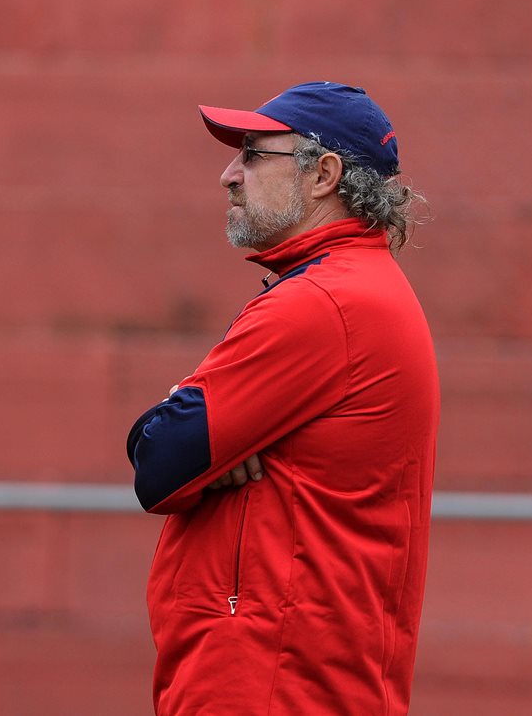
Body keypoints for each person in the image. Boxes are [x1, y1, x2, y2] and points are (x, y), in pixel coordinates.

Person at [126, 82, 438, 714]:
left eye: (251, 153)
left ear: (323, 174)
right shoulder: (353, 288)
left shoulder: (321, 301)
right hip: (300, 674)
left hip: (274, 679)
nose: (228, 175)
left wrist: (187, 421)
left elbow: (157, 461)